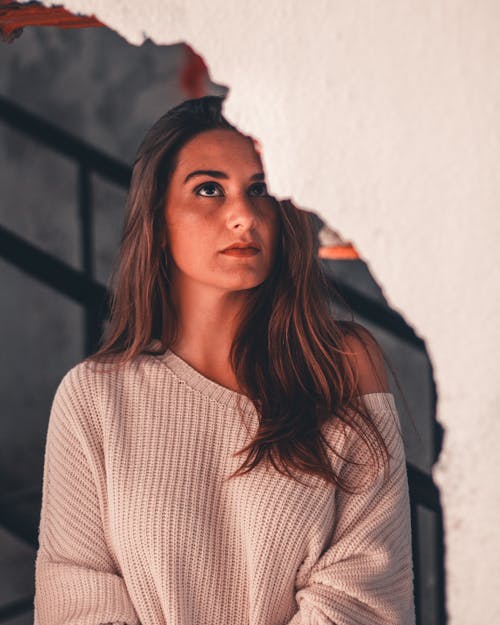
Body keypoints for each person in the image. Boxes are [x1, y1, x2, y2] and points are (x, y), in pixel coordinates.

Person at [33, 96, 416, 625]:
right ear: (159, 220)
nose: (243, 215)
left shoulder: (340, 364)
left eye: (259, 190)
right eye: (209, 189)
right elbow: (75, 593)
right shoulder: (95, 395)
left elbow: (365, 593)